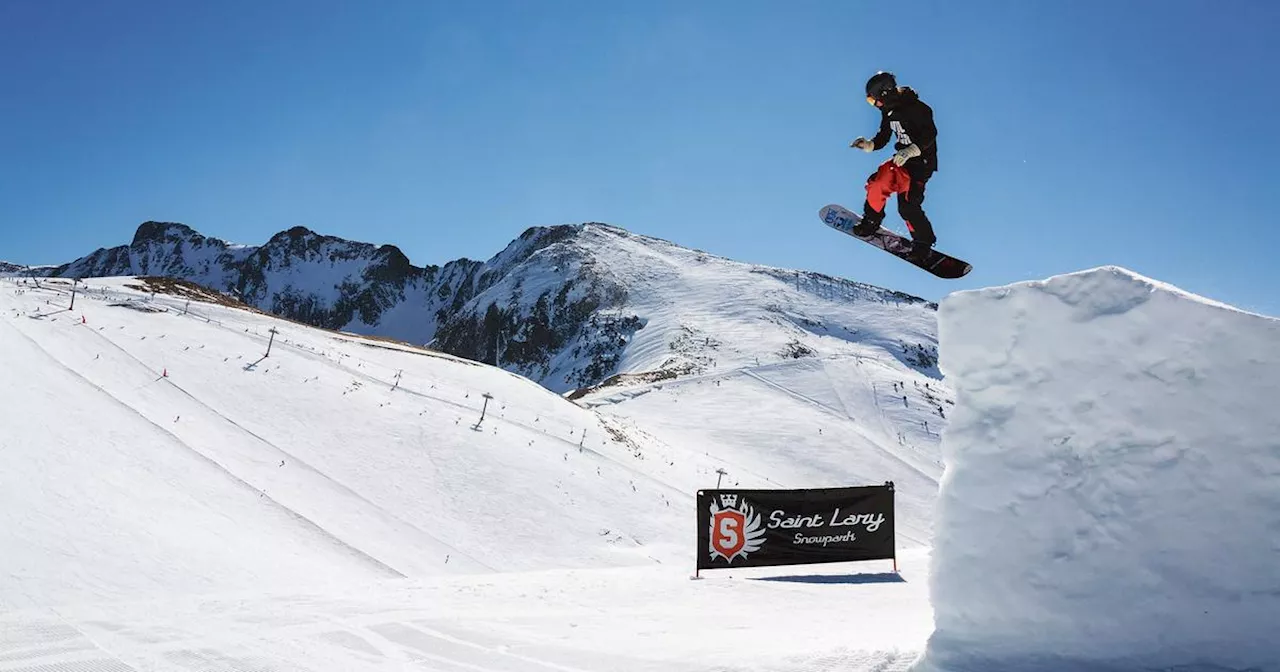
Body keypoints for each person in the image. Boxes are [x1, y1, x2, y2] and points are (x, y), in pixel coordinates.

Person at [849, 71, 939, 261]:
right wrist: (868, 145)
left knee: (907, 206)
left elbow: (930, 134)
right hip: (901, 161)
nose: (874, 105)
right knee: (878, 182)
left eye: (873, 101)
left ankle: (923, 244)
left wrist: (912, 150)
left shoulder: (918, 109)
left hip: (920, 164)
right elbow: (883, 137)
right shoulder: (888, 111)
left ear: (884, 93)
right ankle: (871, 221)